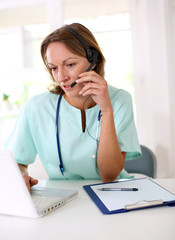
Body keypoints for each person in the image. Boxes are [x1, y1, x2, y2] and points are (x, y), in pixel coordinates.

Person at [4, 23, 141, 192]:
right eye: (53, 68)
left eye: (70, 65)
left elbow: (109, 176)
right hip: (64, 198)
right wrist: (20, 177)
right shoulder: (37, 107)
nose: (61, 77)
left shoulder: (120, 100)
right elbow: (15, 162)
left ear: (93, 60)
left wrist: (106, 110)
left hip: (112, 194)